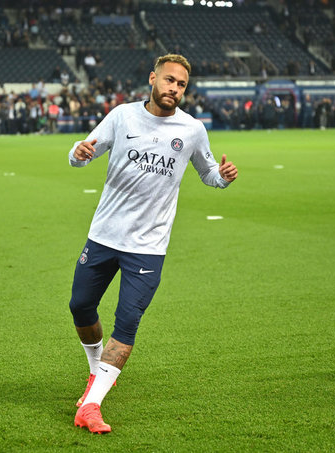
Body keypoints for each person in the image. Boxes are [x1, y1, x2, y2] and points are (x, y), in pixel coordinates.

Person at [68, 54, 238, 434]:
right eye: (169, 80)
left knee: (127, 323)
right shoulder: (122, 116)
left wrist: (223, 177)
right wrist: (77, 153)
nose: (174, 88)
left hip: (148, 245)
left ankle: (92, 404)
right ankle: (96, 372)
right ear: (152, 79)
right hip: (104, 235)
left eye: (181, 84)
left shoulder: (192, 129)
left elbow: (208, 173)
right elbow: (82, 153)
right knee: (80, 306)